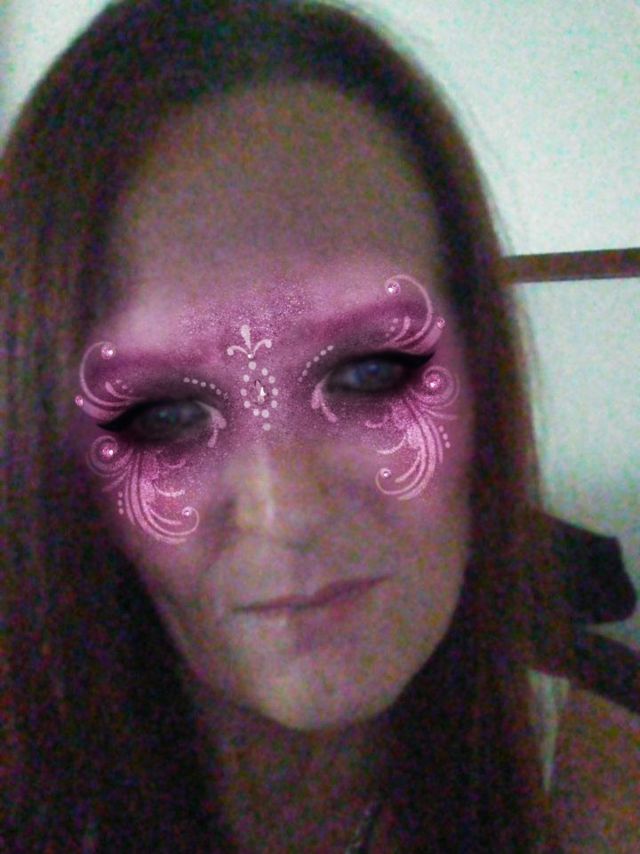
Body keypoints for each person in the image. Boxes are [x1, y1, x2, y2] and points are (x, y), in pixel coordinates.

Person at [2, 1, 637, 851]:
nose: (287, 509)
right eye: (167, 413)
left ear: (484, 375)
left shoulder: (606, 804)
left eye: (369, 373)